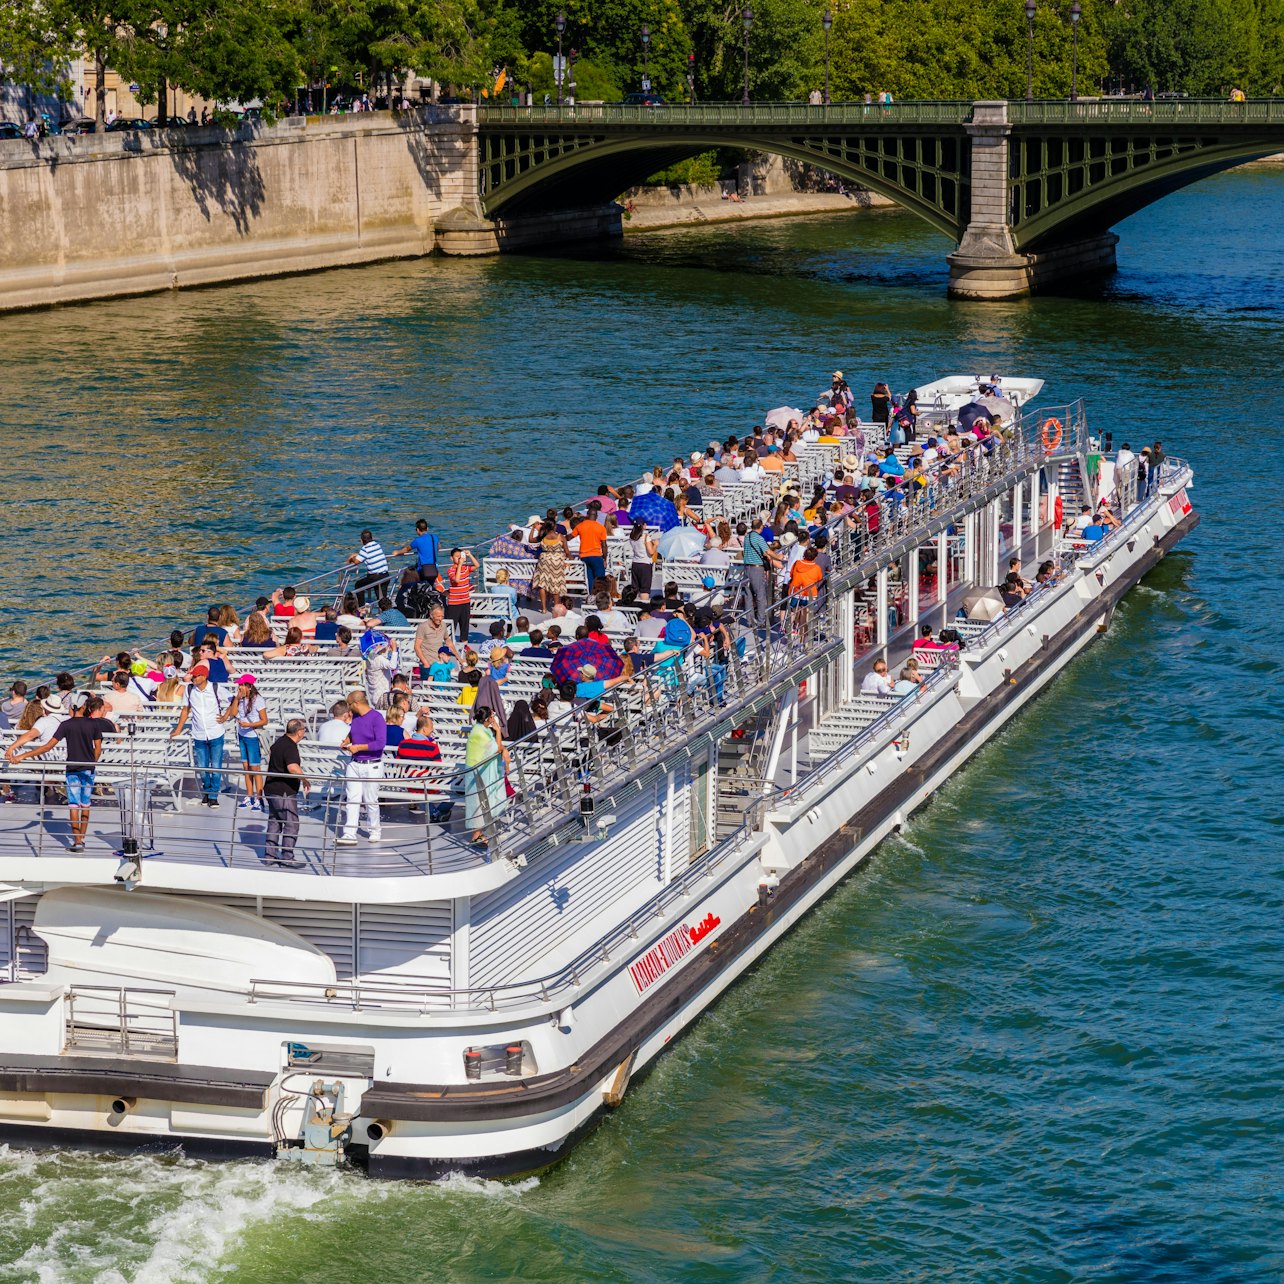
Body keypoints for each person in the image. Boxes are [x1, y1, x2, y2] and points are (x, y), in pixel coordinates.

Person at [8, 696, 116, 852]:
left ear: (72, 707)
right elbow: (98, 748)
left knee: (73, 804)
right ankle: (82, 839)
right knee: (85, 804)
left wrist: (21, 756)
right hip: (88, 768)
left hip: (72, 768)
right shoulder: (94, 725)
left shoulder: (66, 725)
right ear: (84, 706)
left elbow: (47, 747)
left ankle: (77, 842)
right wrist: (92, 762)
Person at [171, 662, 238, 806]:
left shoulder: (215, 688)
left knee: (215, 767)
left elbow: (233, 700)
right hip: (199, 734)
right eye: (193, 676)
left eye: (196, 676)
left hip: (215, 732)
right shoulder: (189, 690)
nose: (193, 678)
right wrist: (178, 729)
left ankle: (213, 795)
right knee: (202, 768)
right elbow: (185, 710)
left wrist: (226, 716)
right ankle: (207, 792)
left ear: (204, 676)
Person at [336, 690, 386, 846]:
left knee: (370, 800)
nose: (348, 709)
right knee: (352, 799)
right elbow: (354, 731)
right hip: (355, 763)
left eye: (350, 705)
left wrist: (359, 747)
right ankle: (349, 833)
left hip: (373, 764)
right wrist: (348, 740)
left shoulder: (377, 718)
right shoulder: (356, 717)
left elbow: (380, 743)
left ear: (357, 703)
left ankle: (375, 830)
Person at [263, 720, 309, 868]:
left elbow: (271, 751)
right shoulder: (290, 746)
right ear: (299, 732)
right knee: (291, 824)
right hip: (283, 791)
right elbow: (292, 767)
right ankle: (287, 857)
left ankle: (270, 856)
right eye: (304, 729)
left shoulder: (280, 742)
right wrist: (305, 780)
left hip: (271, 788)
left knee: (275, 822)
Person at [464, 704, 507, 845]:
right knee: (478, 802)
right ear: (488, 719)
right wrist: (498, 731)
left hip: (476, 770)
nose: (494, 718)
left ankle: (478, 834)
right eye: (492, 716)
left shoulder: (480, 729)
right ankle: (475, 836)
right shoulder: (480, 733)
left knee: (480, 801)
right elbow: (497, 748)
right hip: (477, 772)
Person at [742, 516, 783, 629]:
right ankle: (761, 621)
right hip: (756, 568)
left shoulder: (747, 537)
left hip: (747, 568)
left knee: (748, 595)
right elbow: (768, 551)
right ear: (761, 527)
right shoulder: (759, 538)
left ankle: (749, 620)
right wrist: (778, 557)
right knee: (760, 595)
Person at [234, 676, 268, 810]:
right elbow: (232, 713)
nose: (239, 687)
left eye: (241, 685)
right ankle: (249, 795)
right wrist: (236, 699)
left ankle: (259, 799)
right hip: (242, 735)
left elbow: (265, 720)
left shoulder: (258, 699)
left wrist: (250, 724)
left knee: (255, 768)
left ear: (249, 686)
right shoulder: (240, 699)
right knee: (246, 767)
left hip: (252, 736)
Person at [531, 520, 570, 614]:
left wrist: (533, 528)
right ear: (554, 527)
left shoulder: (543, 536)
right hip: (556, 562)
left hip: (544, 561)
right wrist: (571, 560)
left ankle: (544, 608)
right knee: (555, 584)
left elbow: (531, 540)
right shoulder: (560, 537)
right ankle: (556, 607)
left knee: (542, 584)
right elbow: (567, 551)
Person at [444, 547, 479, 642]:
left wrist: (470, 555)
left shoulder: (466, 568)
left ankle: (464, 644)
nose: (459, 559)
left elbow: (477, 565)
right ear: (452, 558)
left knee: (464, 627)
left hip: (465, 602)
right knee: (452, 627)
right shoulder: (450, 570)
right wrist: (459, 565)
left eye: (461, 557)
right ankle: (450, 646)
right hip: (454, 604)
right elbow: (457, 579)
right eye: (457, 557)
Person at [413, 603, 459, 674]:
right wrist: (425, 663)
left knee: (455, 673)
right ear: (431, 615)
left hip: (441, 661)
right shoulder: (423, 627)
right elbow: (417, 646)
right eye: (438, 616)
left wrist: (458, 657)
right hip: (429, 662)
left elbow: (448, 641)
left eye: (442, 616)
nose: (440, 619)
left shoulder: (443, 625)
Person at [575, 500, 609, 593]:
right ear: (596, 517)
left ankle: (591, 597)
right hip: (596, 556)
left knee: (590, 579)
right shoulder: (601, 527)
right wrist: (605, 558)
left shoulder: (580, 526)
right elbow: (604, 545)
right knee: (600, 580)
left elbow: (569, 537)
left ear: (587, 515)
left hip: (584, 557)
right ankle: (600, 598)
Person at [395, 518, 441, 585]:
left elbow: (407, 549)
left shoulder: (417, 540)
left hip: (423, 570)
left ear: (417, 530)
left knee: (420, 587)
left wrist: (397, 552)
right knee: (430, 588)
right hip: (434, 569)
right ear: (427, 529)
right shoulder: (434, 537)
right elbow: (439, 547)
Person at [349, 528, 390, 600]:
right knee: (382, 598)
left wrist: (352, 558)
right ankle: (385, 609)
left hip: (375, 578)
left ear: (362, 540)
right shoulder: (377, 545)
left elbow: (356, 562)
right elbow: (368, 554)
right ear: (372, 538)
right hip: (385, 575)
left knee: (358, 585)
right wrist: (358, 555)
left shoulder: (365, 549)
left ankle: (361, 607)